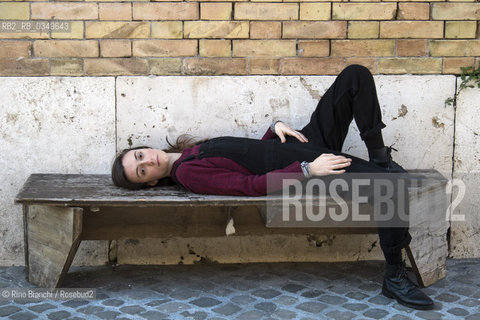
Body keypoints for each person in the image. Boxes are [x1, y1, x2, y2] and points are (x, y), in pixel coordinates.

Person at [111, 64, 434, 310]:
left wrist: (273, 128)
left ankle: (378, 156)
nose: (148, 161)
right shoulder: (188, 174)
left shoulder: (192, 149)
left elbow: (248, 155)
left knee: (355, 75)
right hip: (308, 170)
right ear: (151, 181)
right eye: (141, 171)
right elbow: (252, 185)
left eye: (141, 155)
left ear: (145, 147)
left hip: (306, 145)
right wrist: (309, 170)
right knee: (390, 189)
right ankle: (394, 275)